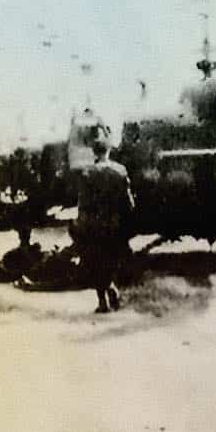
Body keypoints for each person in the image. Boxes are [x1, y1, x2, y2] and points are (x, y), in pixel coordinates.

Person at [71, 133, 135, 313]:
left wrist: (80, 223)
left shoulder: (87, 172)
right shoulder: (120, 171)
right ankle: (112, 286)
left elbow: (83, 203)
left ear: (93, 152)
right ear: (109, 150)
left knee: (95, 261)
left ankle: (103, 301)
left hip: (94, 225)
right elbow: (128, 203)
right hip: (114, 224)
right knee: (112, 259)